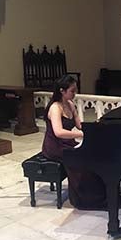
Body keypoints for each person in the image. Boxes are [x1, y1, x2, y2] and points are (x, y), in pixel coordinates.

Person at [42, 75, 107, 210]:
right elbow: (58, 132)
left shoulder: (70, 104)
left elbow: (79, 125)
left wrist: (94, 129)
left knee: (92, 157)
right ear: (62, 91)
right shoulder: (55, 108)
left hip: (67, 143)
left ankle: (101, 194)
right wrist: (81, 134)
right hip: (55, 146)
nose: (75, 93)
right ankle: (84, 200)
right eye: (72, 90)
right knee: (80, 162)